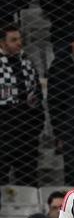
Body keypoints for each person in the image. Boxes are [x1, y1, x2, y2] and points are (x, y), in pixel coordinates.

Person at [0, 25, 42, 185]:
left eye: (20, 39)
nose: (19, 43)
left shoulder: (27, 63)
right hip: (4, 128)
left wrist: (37, 124)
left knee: (28, 176)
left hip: (26, 129)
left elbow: (36, 95)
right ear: (2, 43)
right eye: (14, 40)